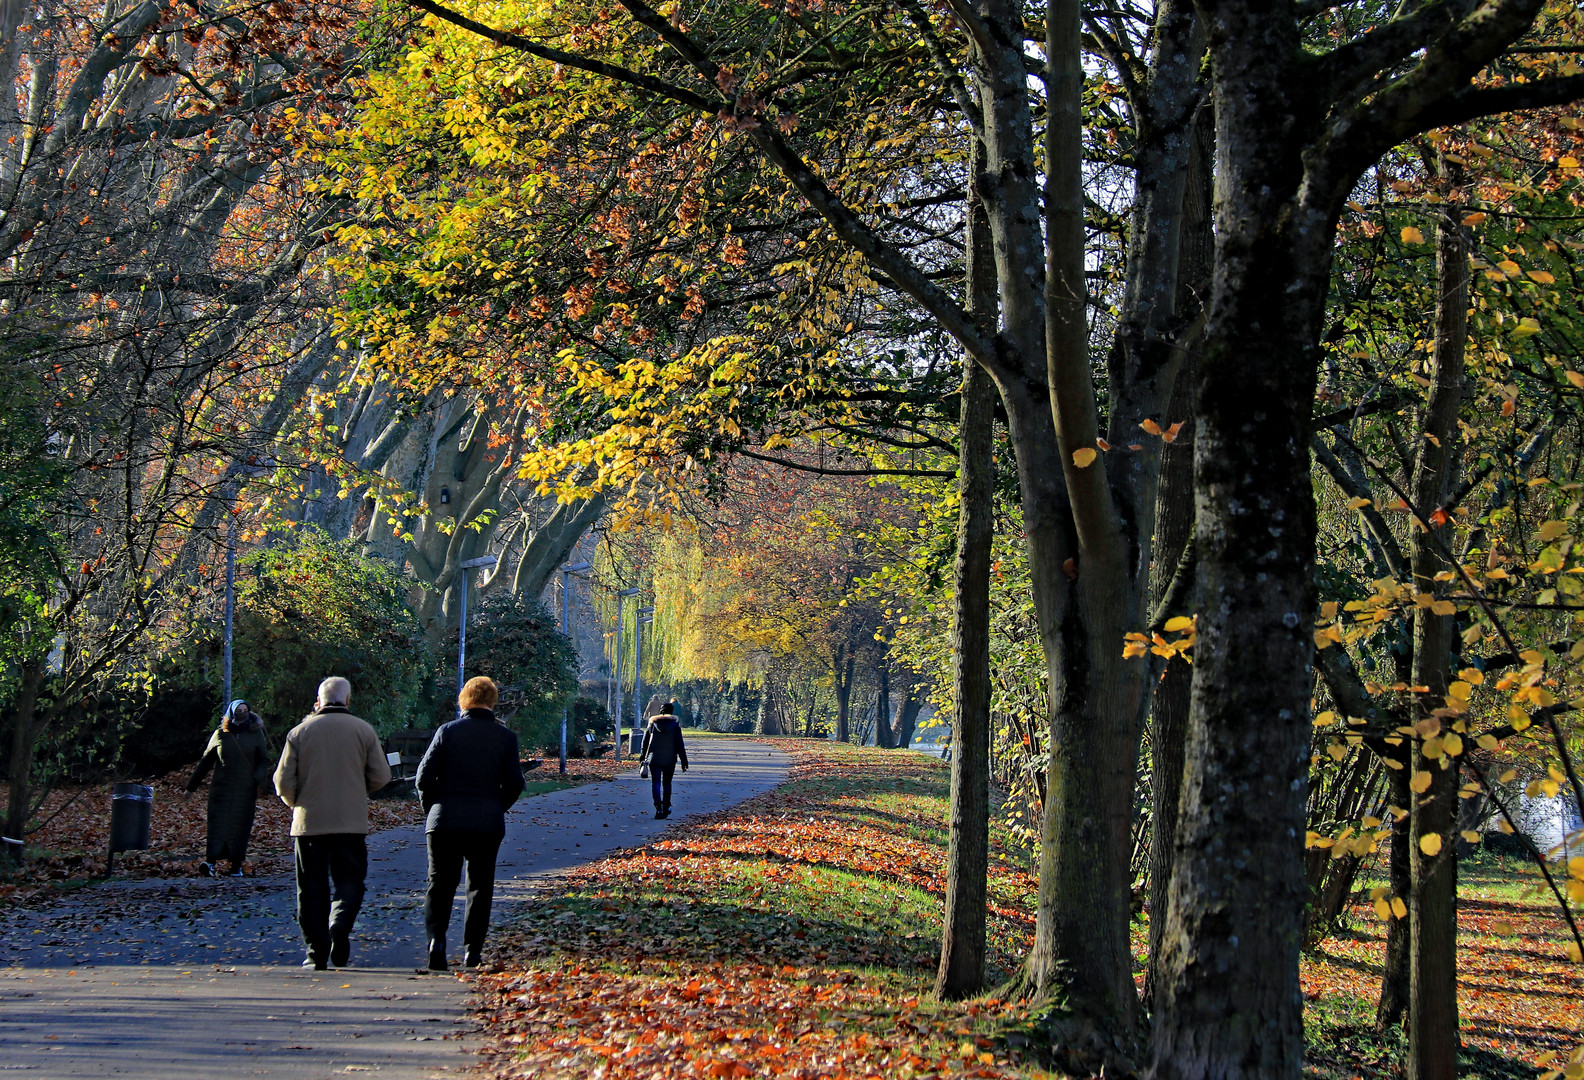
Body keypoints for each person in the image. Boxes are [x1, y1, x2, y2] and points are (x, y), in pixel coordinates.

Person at [272, 676, 391, 970]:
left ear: (319, 700)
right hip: (350, 822)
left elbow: (282, 781)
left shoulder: (299, 733)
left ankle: (316, 953)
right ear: (348, 700)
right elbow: (381, 777)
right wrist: (356, 790)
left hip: (309, 823)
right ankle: (339, 922)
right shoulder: (364, 731)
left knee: (310, 887)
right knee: (349, 880)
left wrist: (296, 803)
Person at [415, 676, 524, 971]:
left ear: (464, 699)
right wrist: (496, 806)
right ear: (493, 701)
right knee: (480, 885)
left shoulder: (447, 732)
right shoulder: (505, 738)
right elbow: (515, 783)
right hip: (486, 822)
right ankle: (472, 951)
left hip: (444, 819)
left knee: (439, 883)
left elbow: (423, 779)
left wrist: (434, 808)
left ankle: (436, 943)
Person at [185, 700, 271, 877]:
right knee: (217, 826)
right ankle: (210, 862)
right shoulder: (220, 734)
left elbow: (263, 759)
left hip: (245, 790)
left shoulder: (256, 733)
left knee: (240, 826)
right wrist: (191, 787)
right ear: (231, 713)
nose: (242, 713)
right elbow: (205, 762)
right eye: (239, 710)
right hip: (221, 789)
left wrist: (256, 779)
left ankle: (236, 864)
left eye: (245, 710)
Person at [638, 701, 688, 819]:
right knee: (667, 783)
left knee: (655, 783)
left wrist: (642, 757)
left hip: (654, 758)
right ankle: (666, 807)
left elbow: (645, 742)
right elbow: (680, 744)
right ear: (671, 712)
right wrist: (684, 761)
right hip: (670, 758)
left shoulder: (652, 724)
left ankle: (658, 808)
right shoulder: (675, 726)